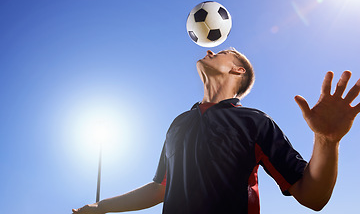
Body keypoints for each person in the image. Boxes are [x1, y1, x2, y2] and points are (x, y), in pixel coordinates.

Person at [72, 49, 360, 214]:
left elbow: (312, 197)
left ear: (238, 72)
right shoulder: (178, 123)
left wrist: (326, 141)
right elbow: (159, 188)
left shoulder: (255, 122)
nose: (209, 50)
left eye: (222, 52)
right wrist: (102, 207)